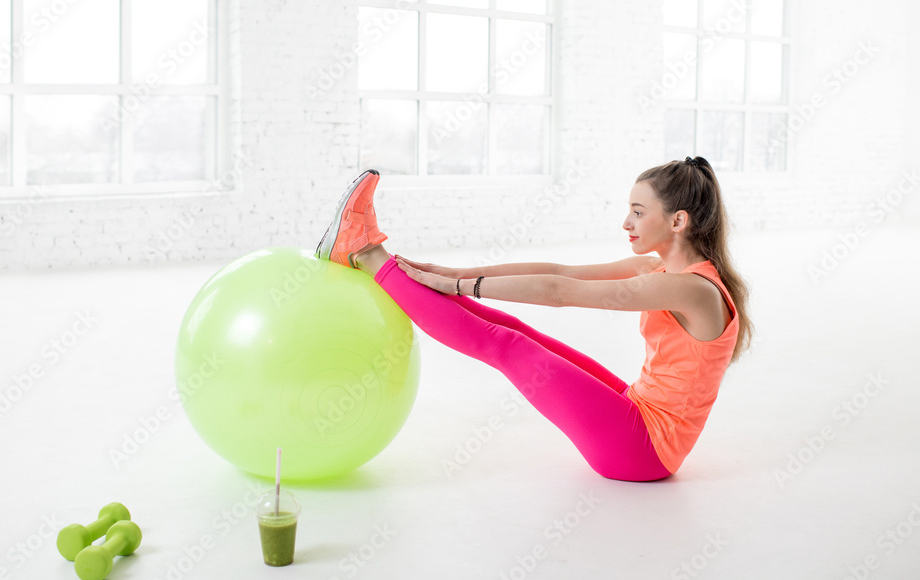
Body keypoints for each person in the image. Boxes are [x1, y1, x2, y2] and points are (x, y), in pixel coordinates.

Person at [314, 157, 752, 481]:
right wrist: (451, 274)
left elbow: (562, 294)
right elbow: (561, 273)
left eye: (638, 211)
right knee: (523, 334)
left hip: (642, 450)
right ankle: (373, 256)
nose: (626, 222)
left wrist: (461, 289)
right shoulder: (661, 270)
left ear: (678, 221)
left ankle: (366, 253)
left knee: (509, 347)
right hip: (638, 411)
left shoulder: (689, 288)